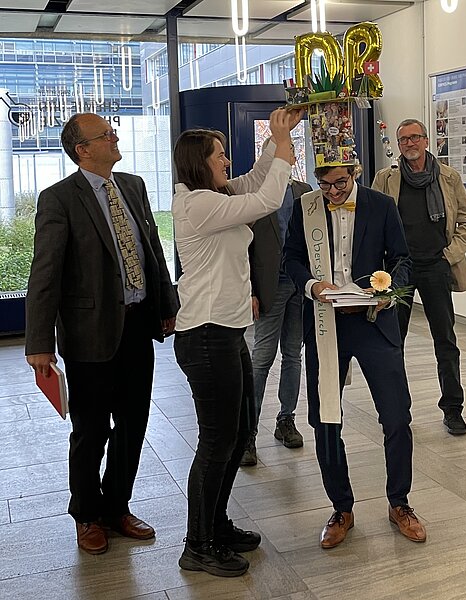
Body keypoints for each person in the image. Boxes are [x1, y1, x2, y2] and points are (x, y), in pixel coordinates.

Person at [25, 113, 179, 555]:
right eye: (106, 135)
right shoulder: (59, 199)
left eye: (113, 132)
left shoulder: (132, 186)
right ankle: (87, 515)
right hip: (88, 334)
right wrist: (39, 343)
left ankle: (116, 507)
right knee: (91, 431)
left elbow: (152, 250)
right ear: (83, 150)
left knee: (133, 425)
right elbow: (45, 273)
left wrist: (166, 305)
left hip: (137, 326)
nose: (115, 137)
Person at [172, 107, 303, 577]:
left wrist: (279, 137)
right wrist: (284, 150)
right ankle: (198, 544)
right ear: (199, 162)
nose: (227, 162)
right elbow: (266, 198)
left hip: (226, 333)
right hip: (205, 336)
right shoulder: (196, 204)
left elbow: (255, 179)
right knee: (217, 441)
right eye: (219, 155)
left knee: (236, 431)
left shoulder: (217, 194)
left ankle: (217, 525)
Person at [283, 163, 427, 550]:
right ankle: (341, 509)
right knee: (325, 418)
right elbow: (291, 258)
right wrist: (313, 286)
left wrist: (386, 290)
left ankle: (400, 503)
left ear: (355, 172)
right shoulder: (305, 208)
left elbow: (402, 259)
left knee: (396, 416)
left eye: (340, 183)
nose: (332, 192)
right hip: (325, 324)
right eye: (324, 184)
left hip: (374, 321)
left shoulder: (381, 205)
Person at [372, 118, 466, 435]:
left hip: (436, 266)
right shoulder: (386, 179)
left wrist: (449, 255)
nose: (409, 143)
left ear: (426, 140)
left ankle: (453, 409)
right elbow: (372, 222)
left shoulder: (448, 177)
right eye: (403, 139)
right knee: (394, 342)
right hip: (400, 270)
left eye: (414, 137)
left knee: (445, 341)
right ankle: (396, 410)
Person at [240, 144, 312, 466]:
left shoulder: (304, 191)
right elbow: (245, 248)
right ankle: (248, 433)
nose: (288, 156)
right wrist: (251, 291)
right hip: (270, 285)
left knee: (293, 355)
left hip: (300, 284)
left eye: (290, 150)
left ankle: (286, 420)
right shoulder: (256, 195)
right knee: (262, 359)